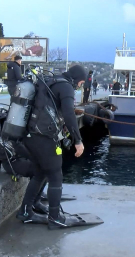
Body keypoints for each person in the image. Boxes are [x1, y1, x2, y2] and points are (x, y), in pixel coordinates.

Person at [16, 65, 87, 229]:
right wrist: (78, 140)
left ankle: (27, 210)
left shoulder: (51, 81)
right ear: (77, 79)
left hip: (30, 135)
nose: (79, 86)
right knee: (55, 175)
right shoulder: (66, 87)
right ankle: (55, 218)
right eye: (81, 83)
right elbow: (69, 114)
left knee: (40, 172)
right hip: (44, 136)